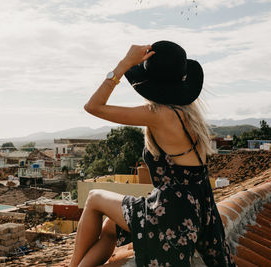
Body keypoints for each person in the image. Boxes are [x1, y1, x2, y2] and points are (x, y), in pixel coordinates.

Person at [69, 41, 235, 267]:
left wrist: (124, 64)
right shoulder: (187, 115)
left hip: (171, 212)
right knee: (109, 226)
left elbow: (93, 107)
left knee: (94, 197)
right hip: (195, 208)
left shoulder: (159, 114)